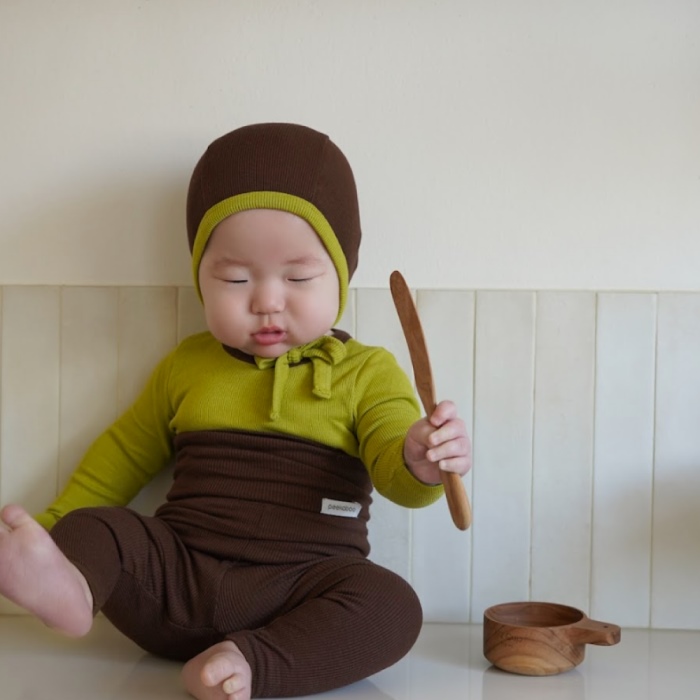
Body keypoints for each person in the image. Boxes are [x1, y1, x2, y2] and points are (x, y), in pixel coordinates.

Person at [0, 122, 471, 700]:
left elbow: (398, 473)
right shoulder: (187, 366)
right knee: (97, 527)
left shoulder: (366, 372)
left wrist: (421, 461)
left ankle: (249, 665)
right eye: (235, 277)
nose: (267, 300)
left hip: (300, 597)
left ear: (342, 274)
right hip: (178, 586)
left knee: (392, 606)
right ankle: (70, 591)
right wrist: (53, 539)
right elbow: (120, 458)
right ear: (200, 277)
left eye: (299, 276)